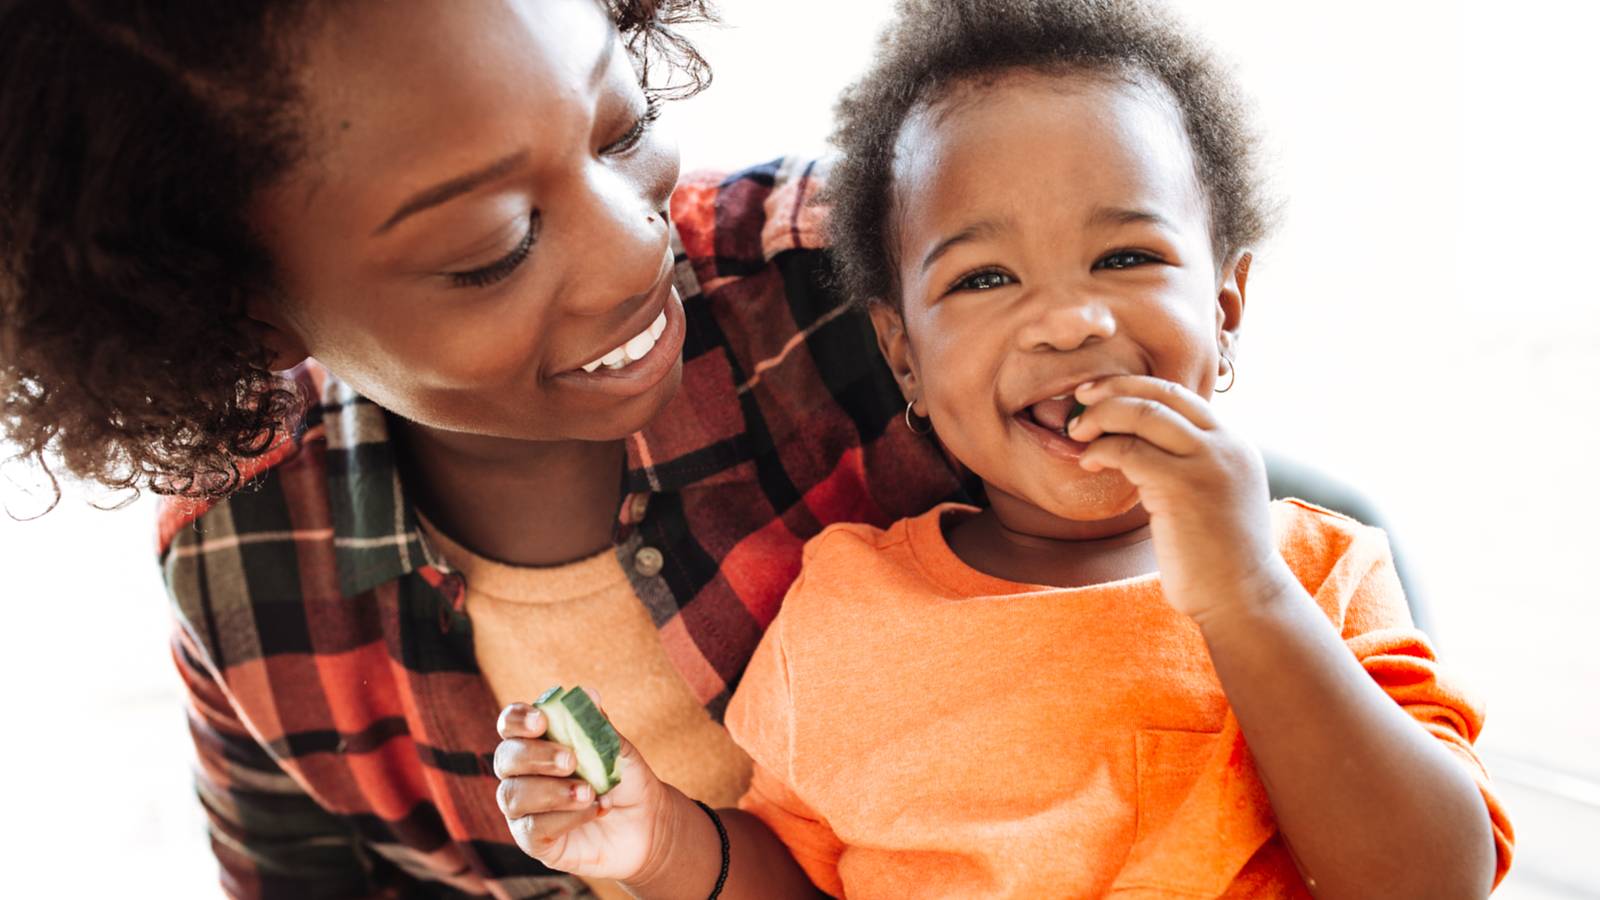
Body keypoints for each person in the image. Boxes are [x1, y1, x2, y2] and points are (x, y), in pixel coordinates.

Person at [489, 1, 1514, 897]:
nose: (1066, 323)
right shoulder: (841, 609)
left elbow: (1434, 879)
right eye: (983, 279)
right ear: (904, 361)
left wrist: (1246, 595)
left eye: (1125, 256)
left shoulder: (1318, 574)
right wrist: (663, 842)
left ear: (1226, 309)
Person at [1, 2, 968, 896]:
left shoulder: (895, 299)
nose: (635, 245)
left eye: (620, 127)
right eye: (494, 247)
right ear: (236, 311)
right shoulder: (239, 561)